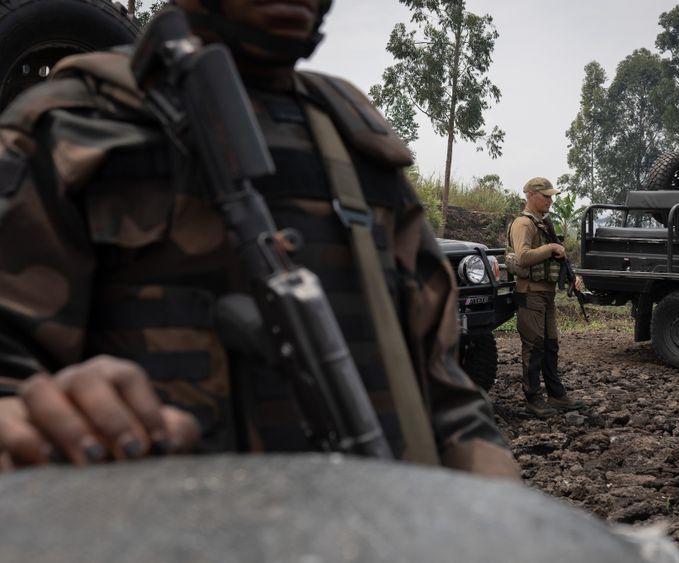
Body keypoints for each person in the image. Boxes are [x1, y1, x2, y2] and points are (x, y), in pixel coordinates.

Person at [0, 0, 520, 478]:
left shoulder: (355, 140)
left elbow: (446, 391)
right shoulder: (70, 130)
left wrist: (496, 515)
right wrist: (42, 415)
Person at [507, 177, 584, 418]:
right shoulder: (524, 224)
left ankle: (556, 394)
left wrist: (573, 277)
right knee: (534, 346)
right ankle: (533, 399)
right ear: (530, 195)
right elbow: (522, 257)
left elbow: (558, 258)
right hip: (530, 293)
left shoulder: (544, 223)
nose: (550, 200)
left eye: (551, 196)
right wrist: (551, 248)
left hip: (546, 293)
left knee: (551, 344)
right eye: (545, 196)